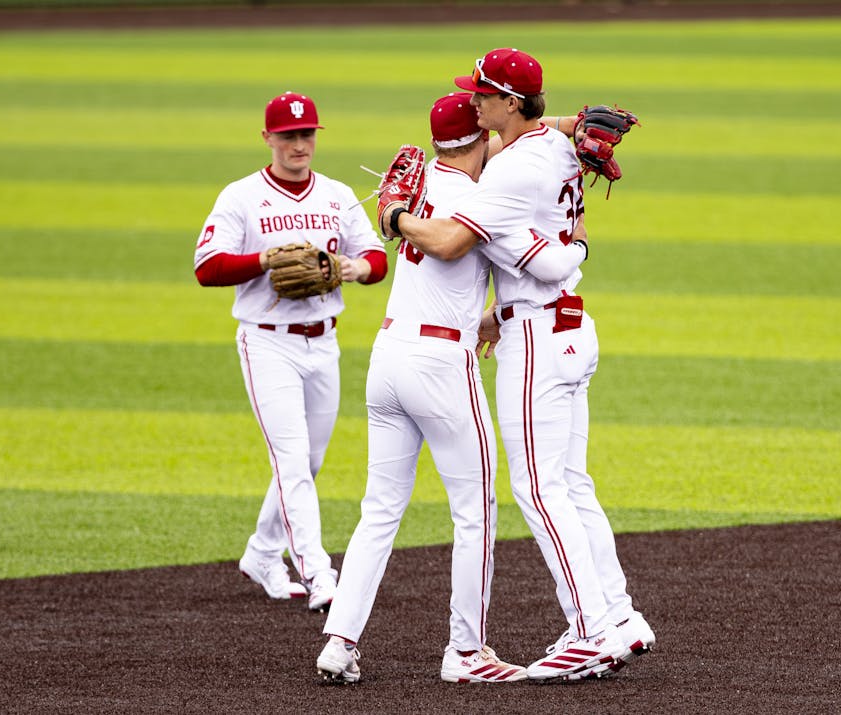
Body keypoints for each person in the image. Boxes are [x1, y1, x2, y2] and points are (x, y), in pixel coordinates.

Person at [378, 50, 655, 680]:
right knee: (573, 485)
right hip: (568, 327)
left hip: (536, 340)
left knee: (537, 487)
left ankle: (588, 631)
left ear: (507, 101)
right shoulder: (554, 149)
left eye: (483, 93)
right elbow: (548, 140)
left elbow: (448, 242)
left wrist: (395, 216)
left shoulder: (508, 174)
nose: (474, 101)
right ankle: (620, 617)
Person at [315, 93, 590, 684]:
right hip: (441, 364)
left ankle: (339, 642)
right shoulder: (485, 200)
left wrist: (395, 216)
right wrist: (578, 243)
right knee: (476, 510)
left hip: (387, 358)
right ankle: (466, 651)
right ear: (480, 138)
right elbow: (542, 264)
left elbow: (498, 141)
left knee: (379, 510)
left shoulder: (423, 185)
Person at [193, 91, 388, 611]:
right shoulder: (241, 197)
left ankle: (261, 552)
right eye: (288, 136)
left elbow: (375, 256)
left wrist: (355, 268)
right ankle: (319, 573)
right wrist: (263, 259)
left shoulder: (337, 195)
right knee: (292, 462)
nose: (299, 144)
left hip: (324, 342)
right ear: (268, 139)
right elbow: (207, 268)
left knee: (309, 460)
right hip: (266, 343)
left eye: (307, 134)